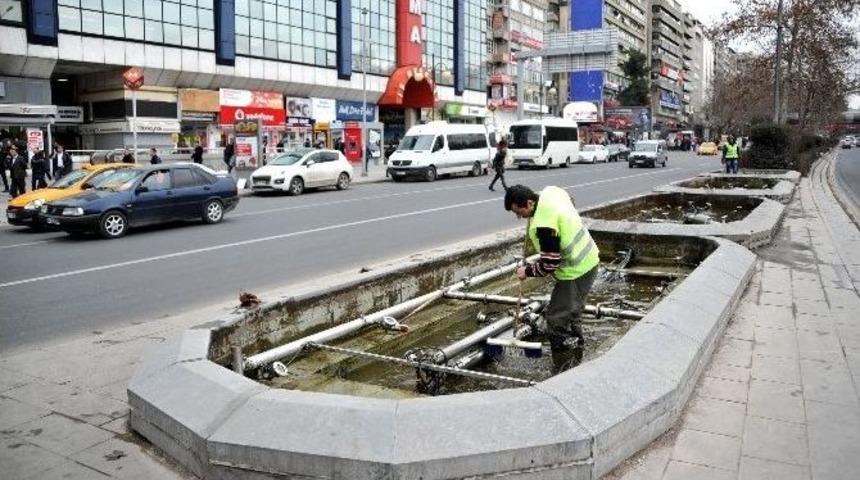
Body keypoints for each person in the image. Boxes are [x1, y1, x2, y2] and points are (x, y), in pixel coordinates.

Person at [504, 184, 600, 372]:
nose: (520, 216)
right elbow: (570, 198)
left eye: (520, 211)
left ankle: (563, 366)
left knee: (556, 320)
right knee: (571, 312)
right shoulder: (550, 192)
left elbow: (549, 265)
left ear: (530, 202)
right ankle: (577, 348)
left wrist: (527, 271)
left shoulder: (544, 225)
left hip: (576, 271)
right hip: (589, 259)